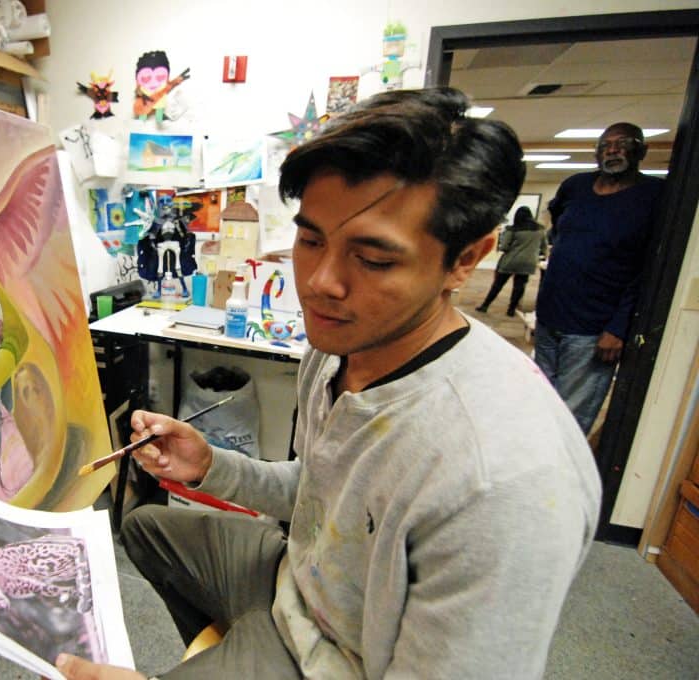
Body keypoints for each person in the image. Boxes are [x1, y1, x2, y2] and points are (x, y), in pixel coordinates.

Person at [56, 88, 601, 680]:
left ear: (466, 259)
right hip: (300, 584)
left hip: (345, 659)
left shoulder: (501, 482)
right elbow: (325, 489)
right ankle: (239, 645)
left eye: (373, 259)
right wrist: (212, 465)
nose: (319, 283)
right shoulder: (340, 342)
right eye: (311, 239)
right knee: (146, 528)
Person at [533, 123, 665, 435]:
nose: (614, 149)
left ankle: (557, 479)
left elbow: (648, 269)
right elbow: (558, 216)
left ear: (642, 151)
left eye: (624, 143)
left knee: (569, 419)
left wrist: (618, 327)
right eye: (606, 144)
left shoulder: (654, 196)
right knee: (537, 401)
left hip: (593, 329)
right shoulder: (576, 186)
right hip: (550, 316)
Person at [475, 205, 547, 316]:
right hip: (528, 262)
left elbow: (504, 247)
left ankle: (485, 305)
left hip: (511, 260)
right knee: (519, 286)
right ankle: (511, 310)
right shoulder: (540, 230)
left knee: (498, 284)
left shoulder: (513, 229)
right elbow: (544, 246)